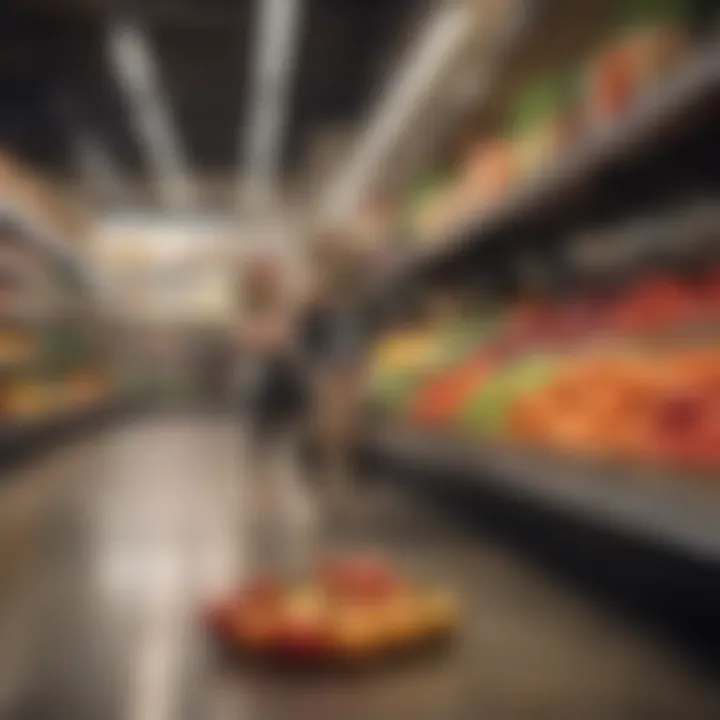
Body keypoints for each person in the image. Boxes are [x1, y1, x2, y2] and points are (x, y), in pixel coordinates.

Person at [234, 254, 313, 575]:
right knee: (261, 447)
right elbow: (250, 342)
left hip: (278, 383)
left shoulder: (281, 311)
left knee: (280, 446)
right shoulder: (252, 313)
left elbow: (284, 342)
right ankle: (265, 502)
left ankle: (284, 502)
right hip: (261, 383)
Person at [301, 233, 367, 524]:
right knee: (330, 429)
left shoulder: (356, 295)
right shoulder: (316, 299)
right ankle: (330, 487)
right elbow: (309, 336)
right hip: (328, 368)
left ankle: (341, 485)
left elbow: (365, 329)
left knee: (348, 429)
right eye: (332, 256)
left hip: (352, 366)